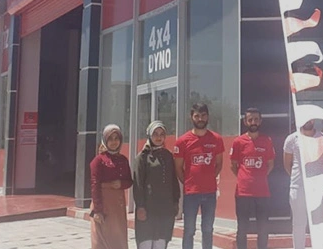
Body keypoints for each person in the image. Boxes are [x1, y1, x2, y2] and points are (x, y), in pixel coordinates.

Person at [174, 103, 224, 249]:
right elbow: (178, 168)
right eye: (197, 116)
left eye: (203, 115)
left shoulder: (216, 139)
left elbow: (219, 164)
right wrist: (188, 182)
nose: (200, 119)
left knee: (208, 229)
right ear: (191, 117)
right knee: (189, 230)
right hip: (191, 193)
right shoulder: (182, 141)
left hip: (210, 193)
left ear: (207, 117)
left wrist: (209, 178)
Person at [230, 108, 275, 249]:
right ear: (245, 121)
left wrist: (259, 177)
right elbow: (233, 166)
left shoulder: (267, 141)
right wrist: (244, 177)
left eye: (256, 119)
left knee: (263, 228)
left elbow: (270, 164)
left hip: (262, 192)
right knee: (242, 228)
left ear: (260, 121)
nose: (253, 122)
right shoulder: (238, 142)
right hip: (243, 192)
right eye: (250, 119)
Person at [134, 120, 181, 249]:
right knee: (146, 241)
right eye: (155, 134)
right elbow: (138, 184)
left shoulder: (168, 156)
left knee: (161, 241)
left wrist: (176, 201)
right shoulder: (142, 157)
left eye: (162, 134)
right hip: (148, 208)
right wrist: (140, 206)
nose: (159, 137)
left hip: (165, 208)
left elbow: (173, 180)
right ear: (149, 135)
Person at [283, 119, 323, 249]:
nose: (308, 121)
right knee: (298, 224)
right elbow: (287, 164)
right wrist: (298, 178)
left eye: (310, 118)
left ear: (314, 120)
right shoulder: (292, 139)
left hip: (318, 187)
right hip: (298, 187)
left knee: (318, 223)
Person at [90, 124, 134, 249]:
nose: (114, 142)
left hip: (117, 206)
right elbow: (95, 185)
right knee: (101, 240)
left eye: (116, 138)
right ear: (105, 140)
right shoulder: (98, 160)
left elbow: (129, 181)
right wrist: (98, 210)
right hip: (103, 204)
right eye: (110, 138)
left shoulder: (123, 160)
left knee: (118, 238)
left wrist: (121, 184)